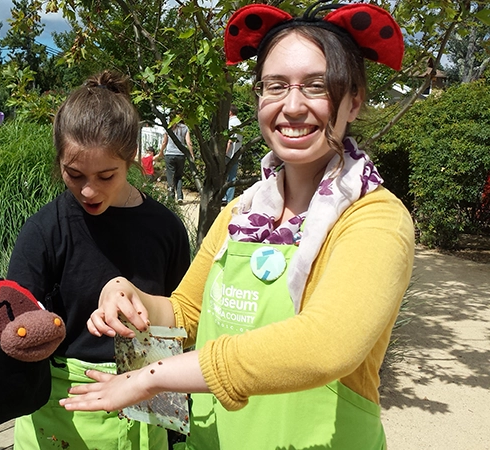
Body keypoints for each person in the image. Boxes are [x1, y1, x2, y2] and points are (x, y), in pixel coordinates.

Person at [60, 3, 415, 449]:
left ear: (354, 100)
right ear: (259, 98)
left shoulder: (374, 218)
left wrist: (153, 377)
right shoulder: (240, 213)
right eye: (276, 86)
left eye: (317, 86)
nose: (292, 106)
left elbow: (327, 344)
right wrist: (129, 295)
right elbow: (186, 315)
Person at [7, 70, 192, 450]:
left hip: (149, 392)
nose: (89, 191)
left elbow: (184, 317)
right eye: (74, 175)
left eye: (107, 175)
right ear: (59, 161)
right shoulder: (45, 231)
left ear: (132, 161)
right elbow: (17, 325)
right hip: (66, 406)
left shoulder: (166, 228)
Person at [158, 116, 193, 204]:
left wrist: (161, 152)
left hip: (169, 154)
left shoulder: (168, 127)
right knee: (179, 176)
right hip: (180, 155)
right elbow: (189, 142)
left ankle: (171, 196)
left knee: (170, 176)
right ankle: (180, 197)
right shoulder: (185, 128)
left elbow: (164, 142)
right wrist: (191, 154)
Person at [224, 105, 243, 204]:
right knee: (232, 177)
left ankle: (223, 197)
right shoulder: (239, 123)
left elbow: (229, 141)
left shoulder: (231, 123)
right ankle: (229, 199)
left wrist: (224, 154)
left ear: (230, 112)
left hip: (229, 154)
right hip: (236, 153)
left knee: (223, 176)